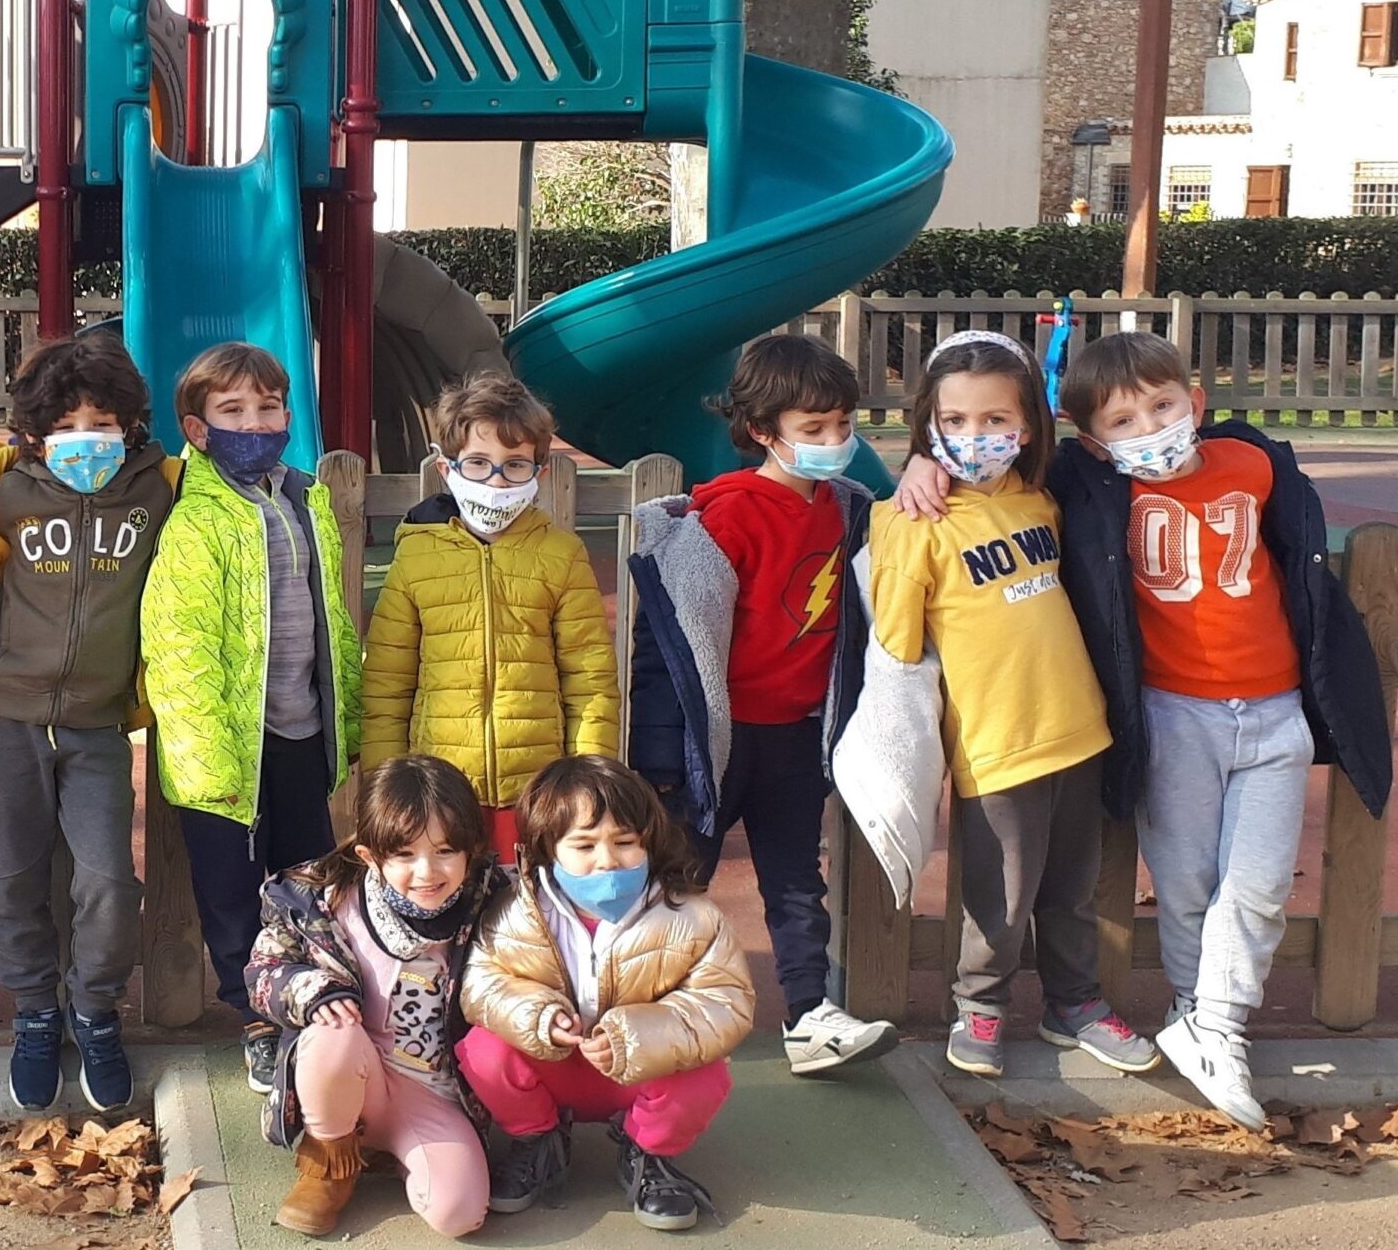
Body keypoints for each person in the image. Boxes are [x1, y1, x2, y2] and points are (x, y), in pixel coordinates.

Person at [894, 331, 1390, 1126]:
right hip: (1150, 716)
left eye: (1162, 407)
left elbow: (1292, 550)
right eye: (1123, 421)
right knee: (1163, 885)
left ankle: (1207, 1022)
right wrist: (922, 459)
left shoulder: (1251, 464)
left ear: (1194, 402)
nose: (1149, 429)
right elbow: (994, 450)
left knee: (1252, 884)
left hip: (1254, 714)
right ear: (1093, 440)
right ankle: (1190, 1019)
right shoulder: (1081, 488)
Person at [864, 332, 1156, 1081]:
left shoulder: (1040, 500)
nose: (975, 436)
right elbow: (897, 642)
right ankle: (981, 1005)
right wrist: (912, 487)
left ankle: (1074, 1004)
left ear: (1027, 426)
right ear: (928, 424)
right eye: (954, 421)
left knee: (1072, 890)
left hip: (1080, 730)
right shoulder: (912, 520)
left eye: (995, 419)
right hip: (995, 744)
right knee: (1000, 894)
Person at [628, 334, 899, 1075]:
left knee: (797, 883)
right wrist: (660, 753)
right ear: (762, 430)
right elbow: (669, 644)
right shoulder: (726, 518)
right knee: (679, 880)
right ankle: (650, 1004)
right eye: (814, 428)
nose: (835, 442)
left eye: (843, 424)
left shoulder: (850, 511)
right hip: (714, 741)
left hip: (797, 737)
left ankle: (810, 1016)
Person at [0, 333, 172, 1113]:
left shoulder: (158, 489)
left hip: (98, 727)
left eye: (102, 423)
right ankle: (35, 1013)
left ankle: (95, 1012)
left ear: (130, 425)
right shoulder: (8, 489)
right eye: (65, 427)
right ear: (34, 434)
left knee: (109, 883)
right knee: (14, 884)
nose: (85, 440)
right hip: (12, 719)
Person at [142, 342, 362, 1096]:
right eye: (233, 410)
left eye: (269, 407)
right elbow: (180, 648)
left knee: (310, 880)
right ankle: (258, 1017)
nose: (256, 423)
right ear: (197, 430)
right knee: (233, 895)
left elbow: (333, 617)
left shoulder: (306, 499)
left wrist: (344, 716)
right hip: (226, 749)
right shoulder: (196, 521)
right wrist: (206, 754)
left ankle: (314, 1002)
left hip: (302, 729)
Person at [460, 755, 751, 1234]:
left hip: (642, 1070)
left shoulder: (693, 916)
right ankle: (538, 1138)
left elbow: (725, 1002)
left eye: (625, 842)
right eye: (583, 844)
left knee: (707, 1074)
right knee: (482, 1050)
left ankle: (648, 1154)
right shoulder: (515, 911)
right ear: (548, 848)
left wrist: (634, 1036)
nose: (607, 860)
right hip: (555, 1064)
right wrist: (539, 1019)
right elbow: (481, 983)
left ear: (649, 841)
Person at [245, 755, 509, 1240]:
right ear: (370, 856)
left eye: (445, 851)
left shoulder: (493, 901)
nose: (426, 871)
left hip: (432, 1087)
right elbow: (265, 970)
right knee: (333, 1030)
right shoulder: (320, 899)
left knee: (459, 1214)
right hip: (352, 1069)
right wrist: (314, 990)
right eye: (404, 854)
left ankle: (397, 1150)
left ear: (471, 851)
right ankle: (330, 1159)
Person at [361, 374, 616, 859]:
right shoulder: (416, 557)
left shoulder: (562, 555)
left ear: (539, 473)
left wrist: (589, 777)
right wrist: (384, 783)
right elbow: (387, 686)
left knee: (528, 901)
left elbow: (590, 681)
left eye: (515, 465)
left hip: (537, 791)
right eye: (478, 463)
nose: (496, 481)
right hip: (438, 792)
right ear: (447, 468)